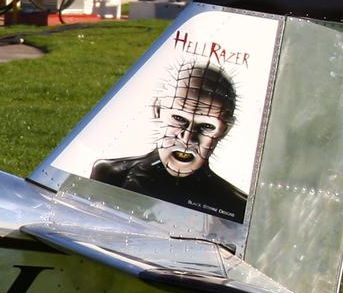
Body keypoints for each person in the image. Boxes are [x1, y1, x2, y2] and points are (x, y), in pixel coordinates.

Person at [91, 62, 248, 223]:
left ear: (225, 129)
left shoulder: (237, 206)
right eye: (179, 119)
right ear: (157, 110)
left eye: (207, 126)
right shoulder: (110, 176)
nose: (187, 139)